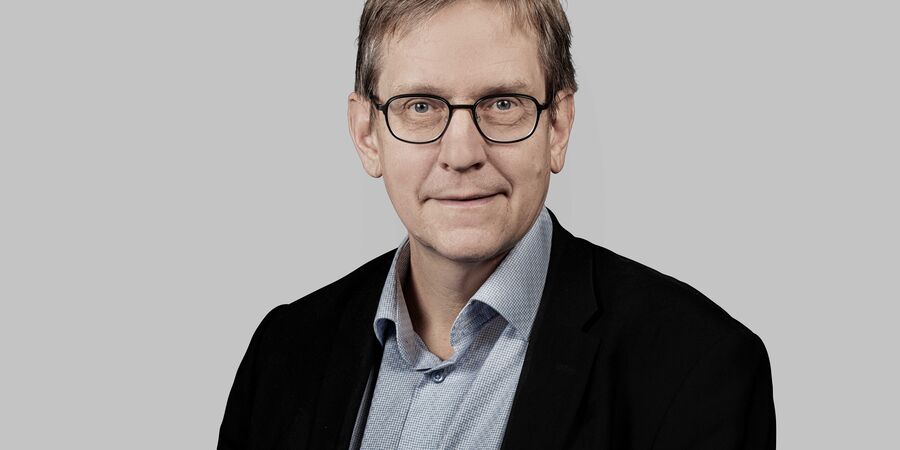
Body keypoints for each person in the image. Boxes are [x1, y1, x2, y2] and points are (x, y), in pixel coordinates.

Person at [218, 0, 776, 448]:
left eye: (503, 104)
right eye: (421, 106)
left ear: (558, 127)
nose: (462, 154)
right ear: (367, 134)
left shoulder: (698, 366)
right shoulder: (282, 351)